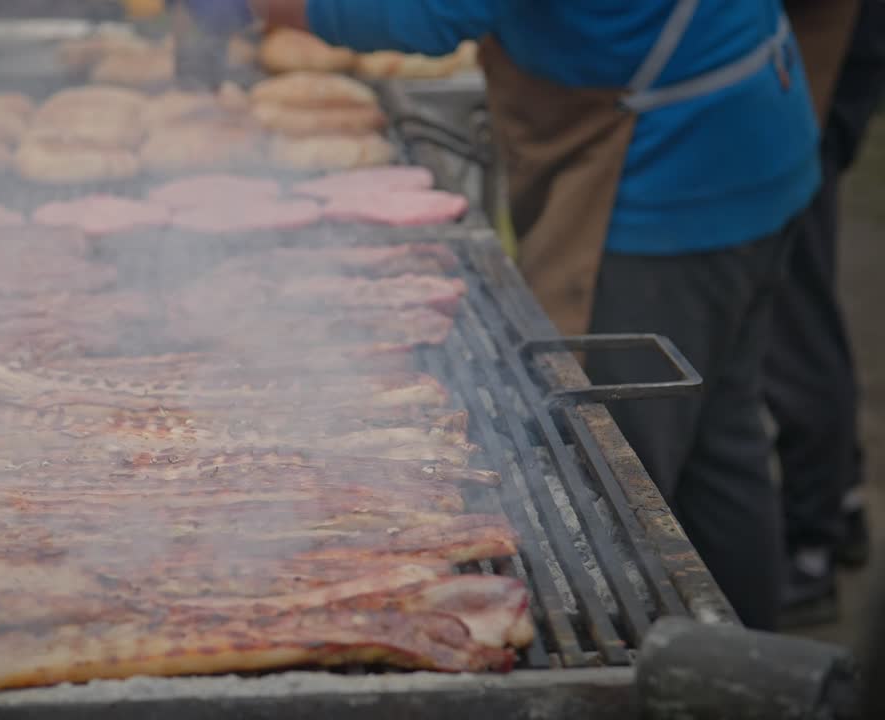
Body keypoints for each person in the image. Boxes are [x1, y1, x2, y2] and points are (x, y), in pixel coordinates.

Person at [188, 0, 853, 631]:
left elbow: (428, 12)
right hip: (752, 130)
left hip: (672, 177)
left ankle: (652, 665)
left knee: (609, 482)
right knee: (719, 438)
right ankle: (749, 667)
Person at [772, 0, 885, 628]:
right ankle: (840, 501)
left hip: (806, 80)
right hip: (811, 74)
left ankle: (809, 545)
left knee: (793, 330)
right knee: (802, 311)